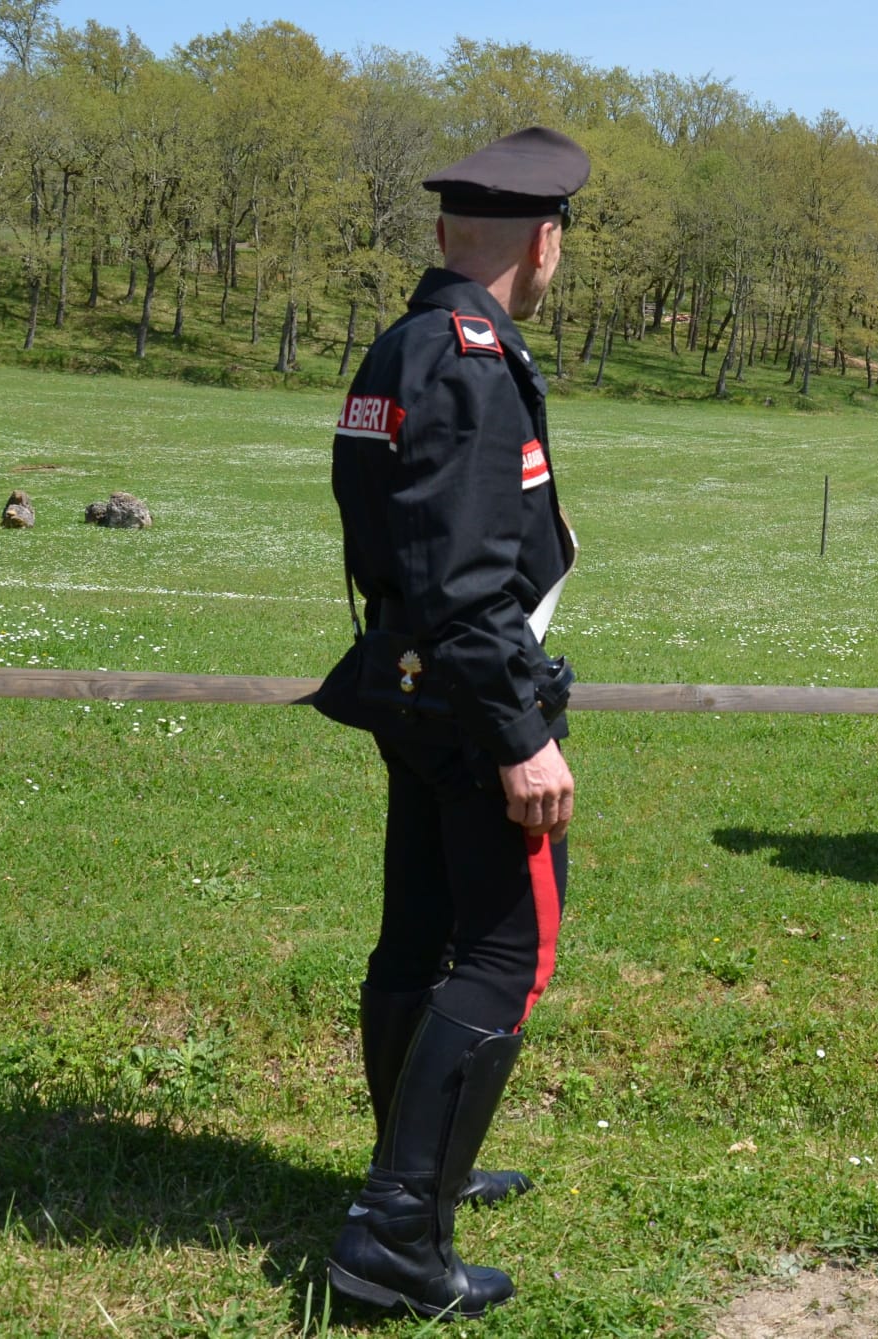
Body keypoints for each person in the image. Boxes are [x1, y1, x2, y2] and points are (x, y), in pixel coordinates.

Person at [314, 126, 589, 1319]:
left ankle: (418, 1174)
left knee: (418, 932)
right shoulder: (473, 359)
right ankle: (393, 1235)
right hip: (470, 699)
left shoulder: (401, 344)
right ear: (547, 242)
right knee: (505, 954)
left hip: (408, 682)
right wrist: (521, 731)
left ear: (440, 236)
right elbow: (468, 579)